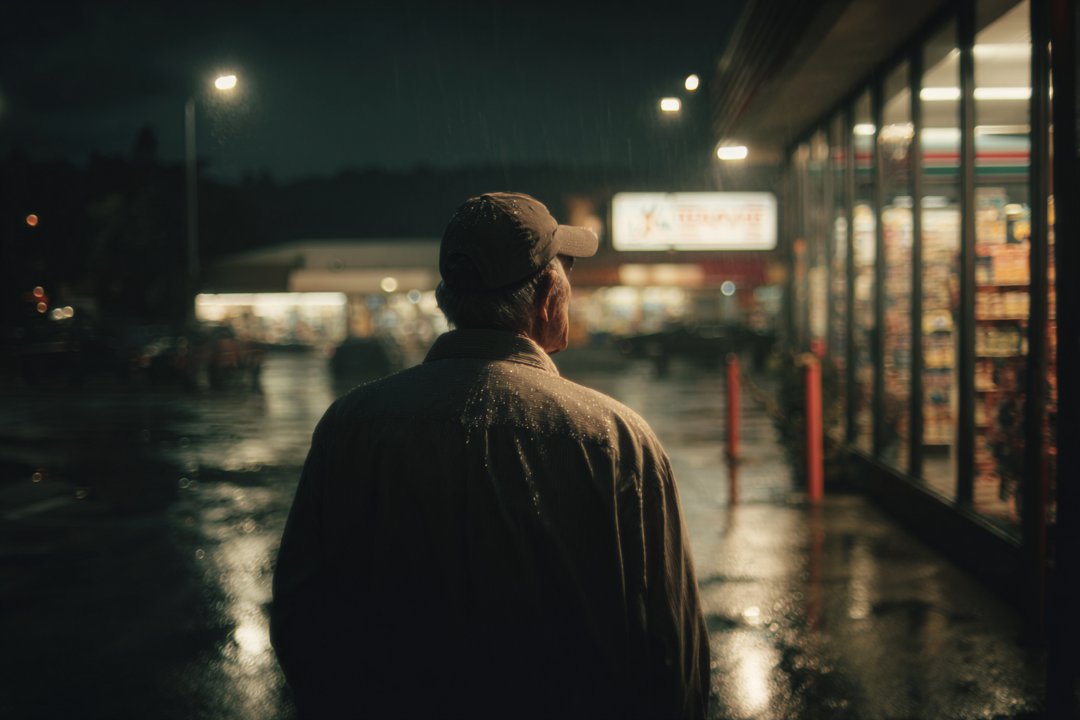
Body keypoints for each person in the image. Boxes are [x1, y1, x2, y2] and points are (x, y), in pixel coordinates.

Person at [271, 192, 710, 719]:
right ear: (549, 294)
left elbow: (303, 621)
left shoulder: (351, 427)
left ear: (445, 299)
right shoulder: (615, 440)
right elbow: (671, 652)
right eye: (565, 273)